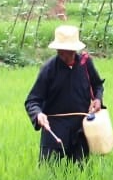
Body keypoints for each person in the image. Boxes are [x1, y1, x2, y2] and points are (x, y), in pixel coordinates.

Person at [25, 25, 104, 165]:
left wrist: (98, 99)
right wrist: (38, 114)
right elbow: (32, 101)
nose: (64, 55)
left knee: (80, 174)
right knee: (48, 174)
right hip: (54, 130)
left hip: (81, 129)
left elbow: (97, 85)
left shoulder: (86, 64)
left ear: (75, 49)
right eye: (61, 51)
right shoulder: (48, 69)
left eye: (68, 51)